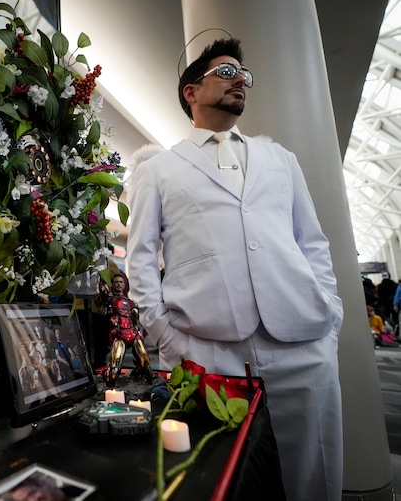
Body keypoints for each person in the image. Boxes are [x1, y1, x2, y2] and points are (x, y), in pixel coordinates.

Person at [126, 38, 344, 501]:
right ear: (191, 91)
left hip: (302, 339)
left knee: (314, 469)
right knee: (216, 472)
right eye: (226, 72)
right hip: (206, 347)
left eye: (243, 74)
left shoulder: (280, 160)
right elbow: (140, 257)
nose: (239, 80)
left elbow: (313, 243)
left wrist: (331, 314)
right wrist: (165, 336)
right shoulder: (161, 169)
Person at [96, 272, 153, 388]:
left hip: (132, 333)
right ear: (113, 284)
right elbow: (101, 299)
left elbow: (136, 322)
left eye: (121, 282)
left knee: (145, 362)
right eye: (116, 282)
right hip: (119, 335)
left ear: (124, 284)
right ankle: (110, 383)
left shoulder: (132, 303)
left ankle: (141, 375)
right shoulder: (109, 301)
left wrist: (138, 331)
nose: (118, 284)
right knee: (115, 370)